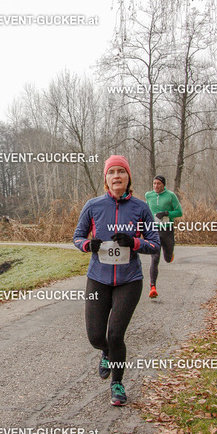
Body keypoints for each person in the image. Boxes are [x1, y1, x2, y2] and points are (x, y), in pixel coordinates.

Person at [73, 155, 160, 406]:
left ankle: (117, 384)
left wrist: (134, 242)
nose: (117, 176)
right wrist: (88, 245)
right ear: (106, 179)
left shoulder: (141, 208)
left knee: (115, 334)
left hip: (129, 280)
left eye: (121, 171)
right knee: (95, 337)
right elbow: (77, 237)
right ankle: (106, 352)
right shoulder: (93, 206)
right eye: (112, 172)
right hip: (98, 279)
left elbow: (154, 244)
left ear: (128, 177)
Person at [145, 175, 183, 298]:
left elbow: (179, 212)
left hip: (167, 230)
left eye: (159, 184)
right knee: (155, 258)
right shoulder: (148, 195)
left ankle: (170, 255)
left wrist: (166, 213)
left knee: (167, 258)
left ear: (164, 185)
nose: (156, 186)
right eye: (154, 183)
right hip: (154, 230)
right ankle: (152, 287)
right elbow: (146, 211)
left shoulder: (171, 196)